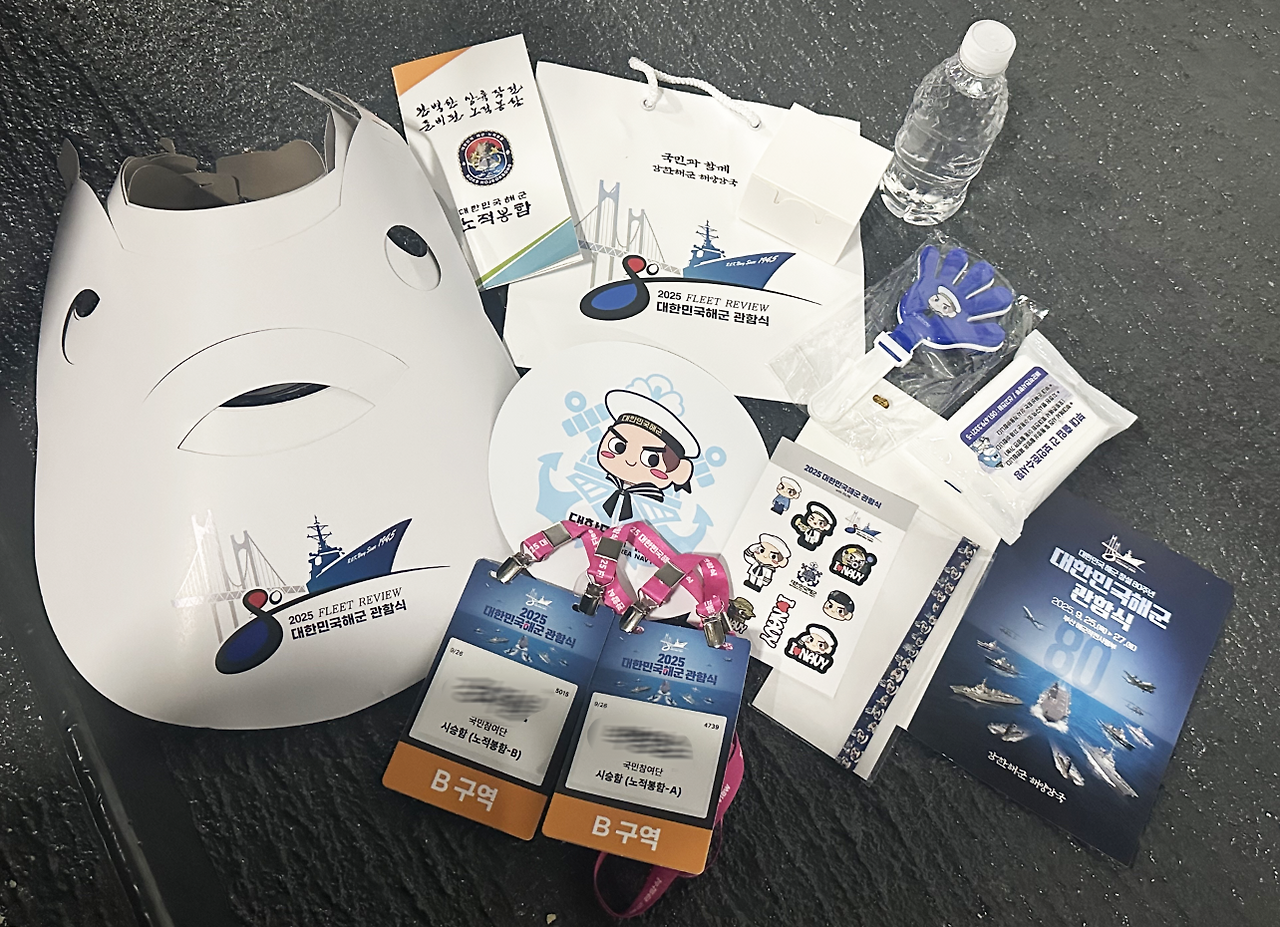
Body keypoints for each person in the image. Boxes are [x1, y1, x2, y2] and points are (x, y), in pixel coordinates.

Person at [596, 389, 701, 521]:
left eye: (651, 459)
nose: (630, 460)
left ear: (679, 471)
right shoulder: (598, 485)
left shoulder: (659, 508)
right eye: (618, 446)